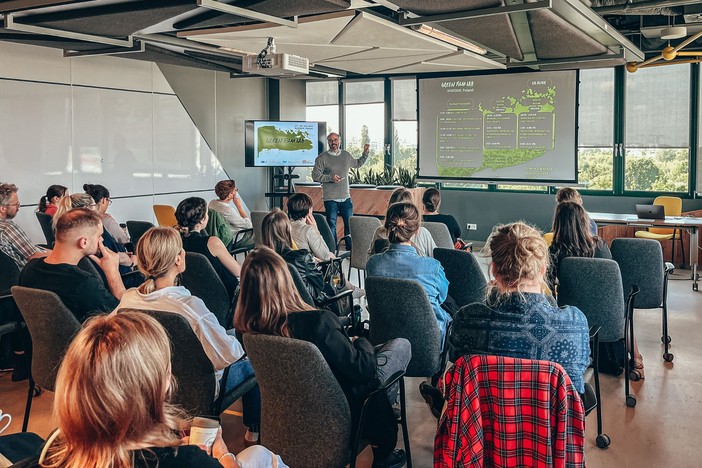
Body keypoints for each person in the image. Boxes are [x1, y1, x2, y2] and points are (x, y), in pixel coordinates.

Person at [31, 310, 286, 467]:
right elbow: (232, 353)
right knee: (261, 455)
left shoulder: (50, 452)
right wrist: (223, 456)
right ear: (158, 384)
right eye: (167, 368)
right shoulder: (188, 461)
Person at [234, 247, 410, 468]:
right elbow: (363, 371)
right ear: (286, 281)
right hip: (342, 416)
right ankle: (383, 447)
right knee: (400, 346)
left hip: (286, 423)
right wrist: (361, 341)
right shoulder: (319, 322)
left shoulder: (247, 331)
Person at [115, 227, 261, 444]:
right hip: (198, 391)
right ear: (178, 260)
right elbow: (229, 355)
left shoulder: (127, 302)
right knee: (252, 363)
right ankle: (253, 431)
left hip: (150, 387)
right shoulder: (190, 307)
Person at [443, 222, 590, 411]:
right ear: (543, 269)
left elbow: (458, 370)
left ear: (494, 270)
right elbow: (575, 391)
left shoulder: (467, 320)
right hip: (550, 433)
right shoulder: (574, 323)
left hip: (481, 430)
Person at [19, 208, 125, 322]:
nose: (102, 240)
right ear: (84, 242)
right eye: (99, 236)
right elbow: (123, 319)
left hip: (39, 339)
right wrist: (113, 272)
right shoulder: (83, 283)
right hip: (82, 339)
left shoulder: (29, 269)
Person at [366, 201, 450, 343]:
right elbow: (442, 297)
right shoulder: (432, 268)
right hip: (428, 342)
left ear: (387, 226)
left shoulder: (373, 264)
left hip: (385, 339)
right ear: (416, 230)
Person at [261, 208, 362, 303]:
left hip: (277, 306)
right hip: (309, 306)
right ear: (287, 231)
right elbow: (320, 283)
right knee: (334, 270)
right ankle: (352, 289)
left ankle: (352, 288)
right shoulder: (302, 255)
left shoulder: (259, 259)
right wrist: (316, 231)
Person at [52, 194, 137, 281]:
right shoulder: (94, 231)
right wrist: (133, 262)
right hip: (118, 277)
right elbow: (111, 256)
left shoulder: (65, 231)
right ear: (86, 209)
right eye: (94, 205)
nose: (97, 208)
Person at [311, 132, 370, 251]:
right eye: (331, 140)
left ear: (340, 141)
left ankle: (349, 250)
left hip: (345, 197)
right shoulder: (322, 158)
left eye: (336, 140)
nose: (334, 142)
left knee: (349, 225)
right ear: (328, 142)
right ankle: (333, 250)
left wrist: (365, 153)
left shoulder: (346, 156)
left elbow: (357, 164)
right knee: (331, 226)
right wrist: (330, 178)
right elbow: (315, 176)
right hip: (330, 198)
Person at [175, 197, 241, 298]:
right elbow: (238, 272)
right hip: (226, 296)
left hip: (194, 295)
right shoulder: (212, 243)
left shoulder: (176, 242)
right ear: (202, 220)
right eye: (206, 213)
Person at [547, 201, 612, 291]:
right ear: (584, 221)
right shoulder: (600, 246)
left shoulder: (555, 251)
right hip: (601, 301)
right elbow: (611, 277)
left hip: (568, 302)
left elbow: (549, 285)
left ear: (558, 224)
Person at [369, 188, 436, 257]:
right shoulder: (422, 233)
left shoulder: (379, 232)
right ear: (411, 210)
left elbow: (370, 258)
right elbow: (436, 257)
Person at [0, 183, 49, 269]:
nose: (18, 208)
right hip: (30, 273)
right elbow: (33, 256)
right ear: (2, 208)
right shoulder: (7, 228)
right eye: (15, 204)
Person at [286, 192, 334, 261]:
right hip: (307, 268)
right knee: (332, 257)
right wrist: (316, 230)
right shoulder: (308, 230)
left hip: (290, 266)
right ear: (309, 211)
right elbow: (325, 256)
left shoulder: (285, 226)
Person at [208, 179, 253, 248]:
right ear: (230, 195)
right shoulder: (227, 210)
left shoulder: (212, 203)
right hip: (232, 240)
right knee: (260, 234)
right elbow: (248, 225)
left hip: (218, 238)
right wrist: (239, 207)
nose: (237, 191)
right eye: (235, 190)